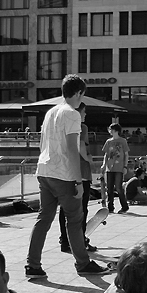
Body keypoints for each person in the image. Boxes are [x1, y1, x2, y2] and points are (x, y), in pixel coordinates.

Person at [26, 75, 109, 279]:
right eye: (83, 94)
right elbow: (72, 149)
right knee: (74, 219)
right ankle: (83, 263)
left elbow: (42, 143)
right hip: (63, 175)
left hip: (44, 171)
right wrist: (78, 181)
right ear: (79, 92)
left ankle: (32, 264)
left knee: (43, 218)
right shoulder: (72, 114)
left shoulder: (51, 112)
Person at [58, 103, 98, 254]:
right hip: (81, 171)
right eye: (84, 112)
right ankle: (80, 241)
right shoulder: (82, 127)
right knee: (81, 209)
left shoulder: (62, 126)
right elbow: (81, 146)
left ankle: (65, 241)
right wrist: (88, 158)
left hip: (65, 171)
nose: (85, 115)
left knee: (65, 208)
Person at [102, 122, 130, 214]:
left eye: (111, 129)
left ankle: (124, 206)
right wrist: (104, 165)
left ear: (115, 130)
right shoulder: (108, 142)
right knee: (109, 188)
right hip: (109, 168)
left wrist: (125, 166)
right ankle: (110, 207)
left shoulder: (123, 141)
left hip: (119, 167)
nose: (109, 131)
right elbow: (106, 155)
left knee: (118, 187)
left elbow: (126, 154)